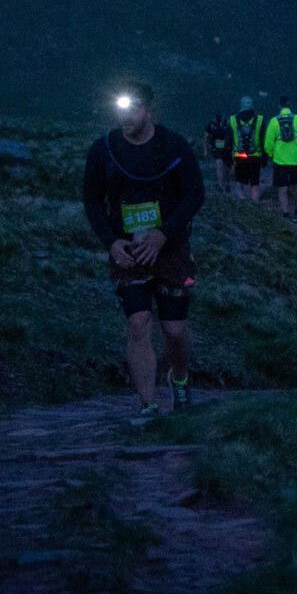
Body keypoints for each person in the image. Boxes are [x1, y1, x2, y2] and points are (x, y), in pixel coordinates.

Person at [82, 81, 206, 417]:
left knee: (174, 330)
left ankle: (180, 379)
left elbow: (195, 194)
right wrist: (111, 242)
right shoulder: (103, 150)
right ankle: (147, 405)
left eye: (133, 108)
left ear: (149, 110)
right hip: (128, 251)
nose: (126, 116)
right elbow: (92, 202)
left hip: (171, 250)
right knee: (138, 323)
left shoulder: (174, 146)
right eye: (120, 109)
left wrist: (163, 235)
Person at [263, 96, 297, 220]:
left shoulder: (274, 121)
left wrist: (271, 155)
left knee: (282, 188)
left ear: (279, 106)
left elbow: (268, 144)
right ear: (290, 105)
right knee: (296, 186)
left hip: (280, 161)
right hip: (296, 160)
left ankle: (285, 213)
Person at [229, 96, 266, 202]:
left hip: (239, 156)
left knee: (239, 182)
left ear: (241, 105)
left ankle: (242, 201)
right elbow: (263, 140)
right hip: (255, 156)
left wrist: (229, 160)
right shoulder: (260, 119)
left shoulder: (232, 119)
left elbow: (229, 141)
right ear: (252, 105)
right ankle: (255, 204)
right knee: (255, 183)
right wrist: (265, 157)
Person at [204, 112, 233, 194]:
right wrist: (206, 150)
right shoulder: (211, 125)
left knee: (226, 168)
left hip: (226, 148)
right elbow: (206, 137)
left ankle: (226, 184)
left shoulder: (227, 124)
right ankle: (221, 185)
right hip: (218, 148)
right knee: (220, 166)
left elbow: (232, 136)